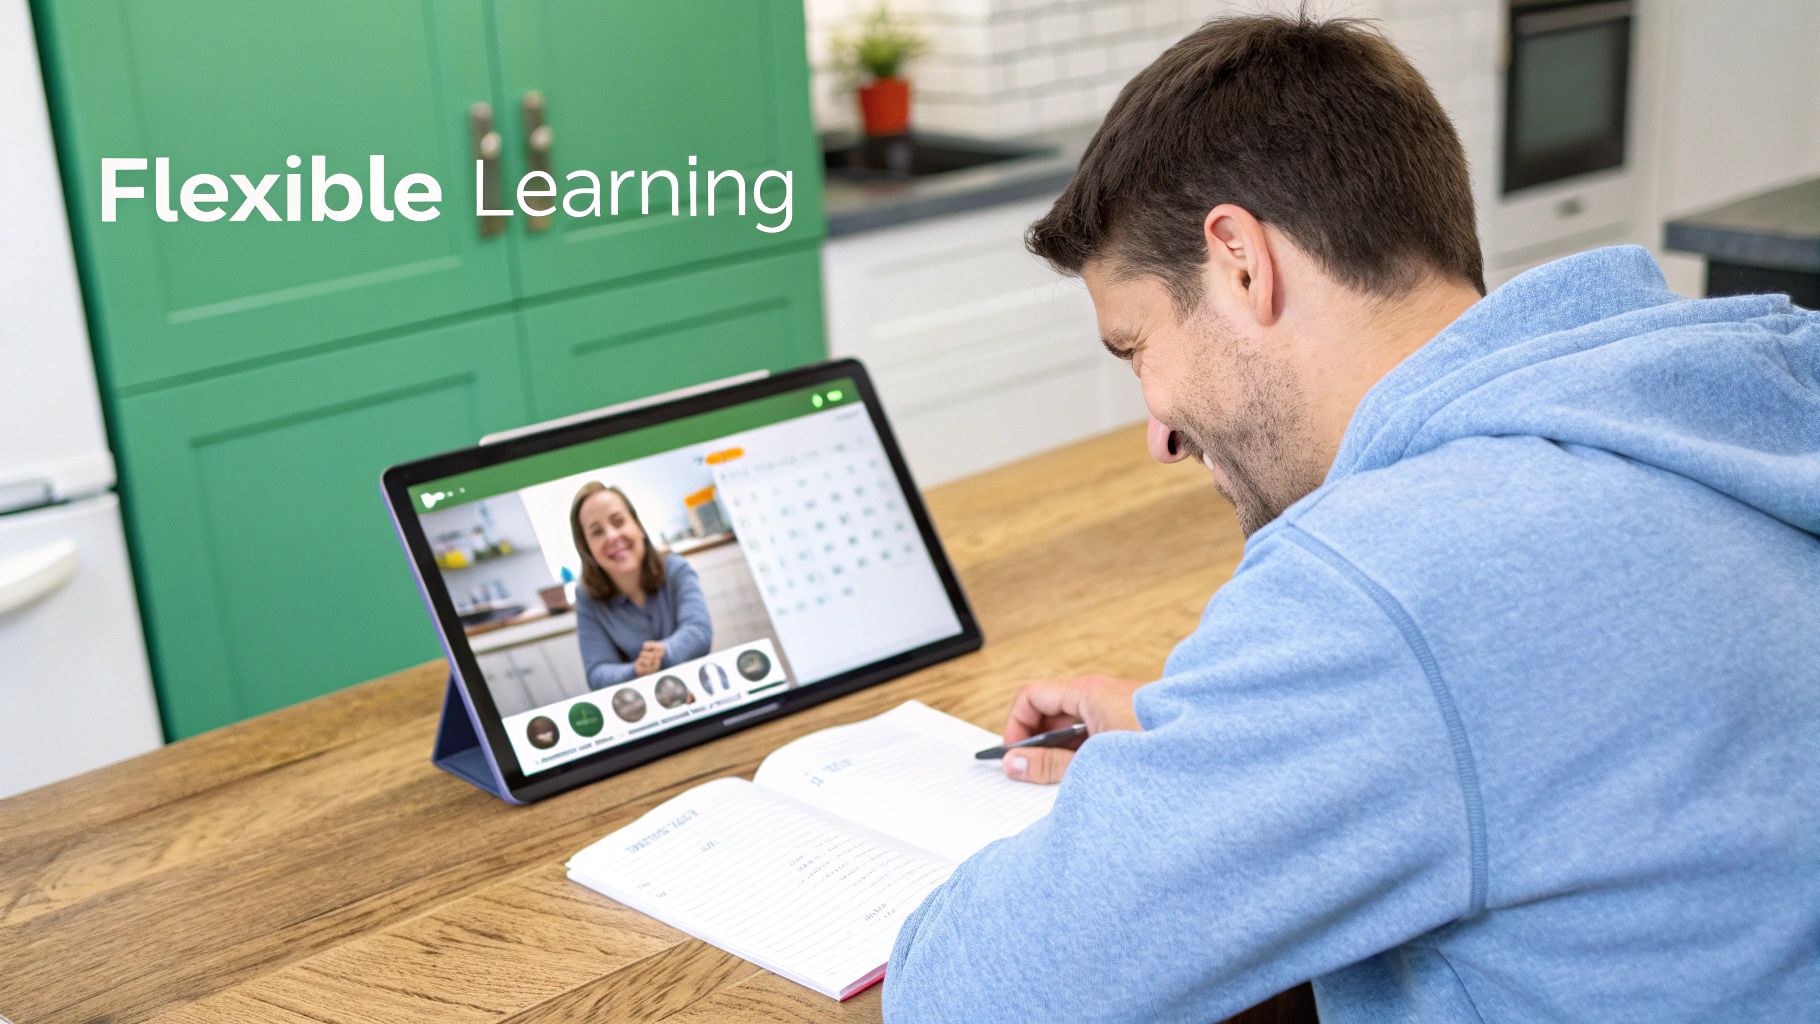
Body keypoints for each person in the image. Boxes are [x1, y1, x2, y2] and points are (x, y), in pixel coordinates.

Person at [882, 12, 1818, 1023]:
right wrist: (1215, 738)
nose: (1154, 431)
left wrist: (1202, 777)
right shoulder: (1715, 402)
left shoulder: (1392, 582)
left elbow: (969, 994)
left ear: (1240, 261)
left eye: (1135, 345)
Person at [569, 482, 712, 689]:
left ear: (639, 526)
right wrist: (637, 670)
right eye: (597, 532)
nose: (611, 536)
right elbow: (597, 674)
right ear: (586, 548)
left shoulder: (676, 568)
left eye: (618, 522)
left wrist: (662, 654)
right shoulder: (586, 597)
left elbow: (699, 633)